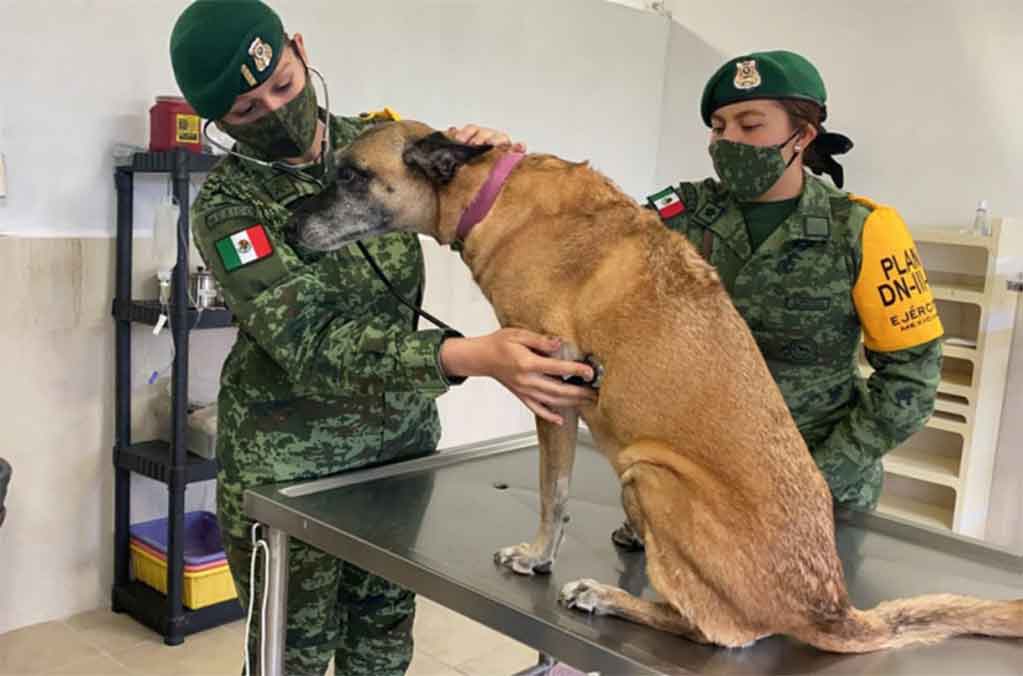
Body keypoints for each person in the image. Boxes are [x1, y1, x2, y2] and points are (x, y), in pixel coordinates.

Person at [169, 1, 596, 673]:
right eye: (248, 110)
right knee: (293, 656)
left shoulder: (385, 145)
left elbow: (481, 215)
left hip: (398, 456)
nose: (278, 110)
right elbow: (307, 341)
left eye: (281, 83)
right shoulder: (230, 208)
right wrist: (467, 357)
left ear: (300, 50)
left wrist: (492, 165)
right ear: (220, 124)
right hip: (291, 473)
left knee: (383, 644)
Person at [633, 50, 943, 538]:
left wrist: (815, 479)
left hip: (821, 495)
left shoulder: (862, 230)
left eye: (750, 125)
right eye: (719, 126)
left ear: (803, 135)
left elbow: (912, 381)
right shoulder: (679, 216)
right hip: (697, 482)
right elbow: (581, 247)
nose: (729, 139)